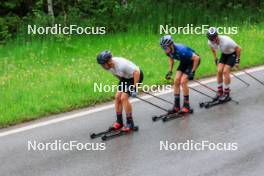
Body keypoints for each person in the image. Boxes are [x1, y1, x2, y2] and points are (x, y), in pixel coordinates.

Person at [96, 51, 143, 131]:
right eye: (101, 65)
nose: (103, 67)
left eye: (103, 64)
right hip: (125, 78)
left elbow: (136, 73)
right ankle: (119, 122)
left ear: (109, 62)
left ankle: (130, 123)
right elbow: (116, 74)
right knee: (117, 97)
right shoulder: (109, 67)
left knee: (124, 98)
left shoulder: (122, 65)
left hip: (135, 77)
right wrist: (123, 83)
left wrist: (135, 88)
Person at [160, 35, 200, 113]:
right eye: (163, 48)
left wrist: (193, 72)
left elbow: (197, 58)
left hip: (193, 61)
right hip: (184, 61)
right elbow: (171, 59)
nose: (164, 49)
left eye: (165, 47)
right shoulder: (168, 51)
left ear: (171, 45)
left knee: (183, 81)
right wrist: (170, 71)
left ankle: (186, 105)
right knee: (176, 81)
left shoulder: (182, 50)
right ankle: (176, 106)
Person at [207, 27, 241, 101]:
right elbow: (212, 49)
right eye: (211, 39)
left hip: (232, 54)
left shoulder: (226, 41)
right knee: (219, 71)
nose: (213, 41)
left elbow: (238, 48)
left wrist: (237, 61)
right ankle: (220, 91)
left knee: (225, 71)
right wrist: (216, 58)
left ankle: (227, 92)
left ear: (217, 36)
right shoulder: (210, 41)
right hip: (224, 54)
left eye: (214, 38)